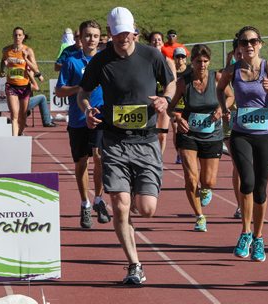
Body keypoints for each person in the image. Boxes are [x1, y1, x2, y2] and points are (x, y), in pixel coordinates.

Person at [77, 7, 175, 285]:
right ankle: (134, 264)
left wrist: (164, 100)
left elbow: (170, 84)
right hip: (115, 142)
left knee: (146, 209)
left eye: (127, 34)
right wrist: (87, 110)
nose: (123, 39)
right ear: (110, 34)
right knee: (120, 206)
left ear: (135, 32)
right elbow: (83, 93)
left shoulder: (152, 55)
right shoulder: (101, 61)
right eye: (118, 34)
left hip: (145, 141)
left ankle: (133, 197)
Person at [216, 25, 268, 262]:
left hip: (264, 135)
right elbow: (220, 89)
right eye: (244, 42)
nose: (249, 45)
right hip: (240, 134)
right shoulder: (232, 70)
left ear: (261, 44)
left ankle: (259, 238)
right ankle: (245, 233)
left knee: (260, 189)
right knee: (246, 182)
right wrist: (225, 109)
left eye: (253, 41)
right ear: (238, 46)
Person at [168, 44, 233, 232]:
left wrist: (221, 109)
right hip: (188, 134)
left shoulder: (217, 78)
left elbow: (230, 96)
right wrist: (177, 118)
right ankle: (199, 216)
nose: (202, 65)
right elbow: (172, 108)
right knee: (190, 177)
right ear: (192, 62)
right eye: (198, 61)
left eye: (205, 61)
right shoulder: (183, 82)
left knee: (209, 181)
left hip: (212, 134)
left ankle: (206, 188)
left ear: (209, 62)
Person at [56, 20, 110, 229]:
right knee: (81, 163)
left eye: (95, 36)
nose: (91, 40)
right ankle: (85, 203)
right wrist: (80, 87)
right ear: (80, 37)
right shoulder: (71, 61)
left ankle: (98, 199)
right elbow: (60, 90)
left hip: (100, 116)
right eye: (87, 35)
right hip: (78, 120)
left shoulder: (105, 60)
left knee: (99, 157)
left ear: (99, 38)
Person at [0, 26, 42, 136]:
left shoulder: (28, 50)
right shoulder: (6, 50)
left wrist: (26, 59)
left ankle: (19, 133)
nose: (17, 37)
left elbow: (35, 68)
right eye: (15, 35)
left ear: (23, 37)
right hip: (11, 86)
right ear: (12, 36)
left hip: (24, 86)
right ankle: (15, 140)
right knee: (14, 115)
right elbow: (3, 60)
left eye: (19, 35)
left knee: (22, 116)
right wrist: (2, 70)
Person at [222, 38, 243, 219]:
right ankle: (240, 205)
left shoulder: (258, 70)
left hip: (253, 125)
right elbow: (221, 92)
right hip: (231, 124)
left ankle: (249, 199)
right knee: (238, 164)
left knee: (251, 166)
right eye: (238, 53)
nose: (241, 56)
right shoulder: (227, 73)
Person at [148, 31, 177, 156]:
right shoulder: (146, 60)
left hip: (163, 99)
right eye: (154, 40)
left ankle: (159, 159)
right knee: (151, 132)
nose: (157, 42)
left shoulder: (168, 61)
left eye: (159, 39)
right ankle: (150, 158)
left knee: (162, 134)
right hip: (149, 100)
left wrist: (167, 97)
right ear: (150, 43)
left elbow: (173, 82)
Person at [171, 47, 192, 164]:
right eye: (177, 57)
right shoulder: (171, 70)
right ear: (174, 58)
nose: (180, 59)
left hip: (187, 104)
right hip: (175, 105)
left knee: (188, 129)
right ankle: (179, 153)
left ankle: (187, 151)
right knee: (175, 129)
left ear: (186, 58)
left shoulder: (190, 70)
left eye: (182, 57)